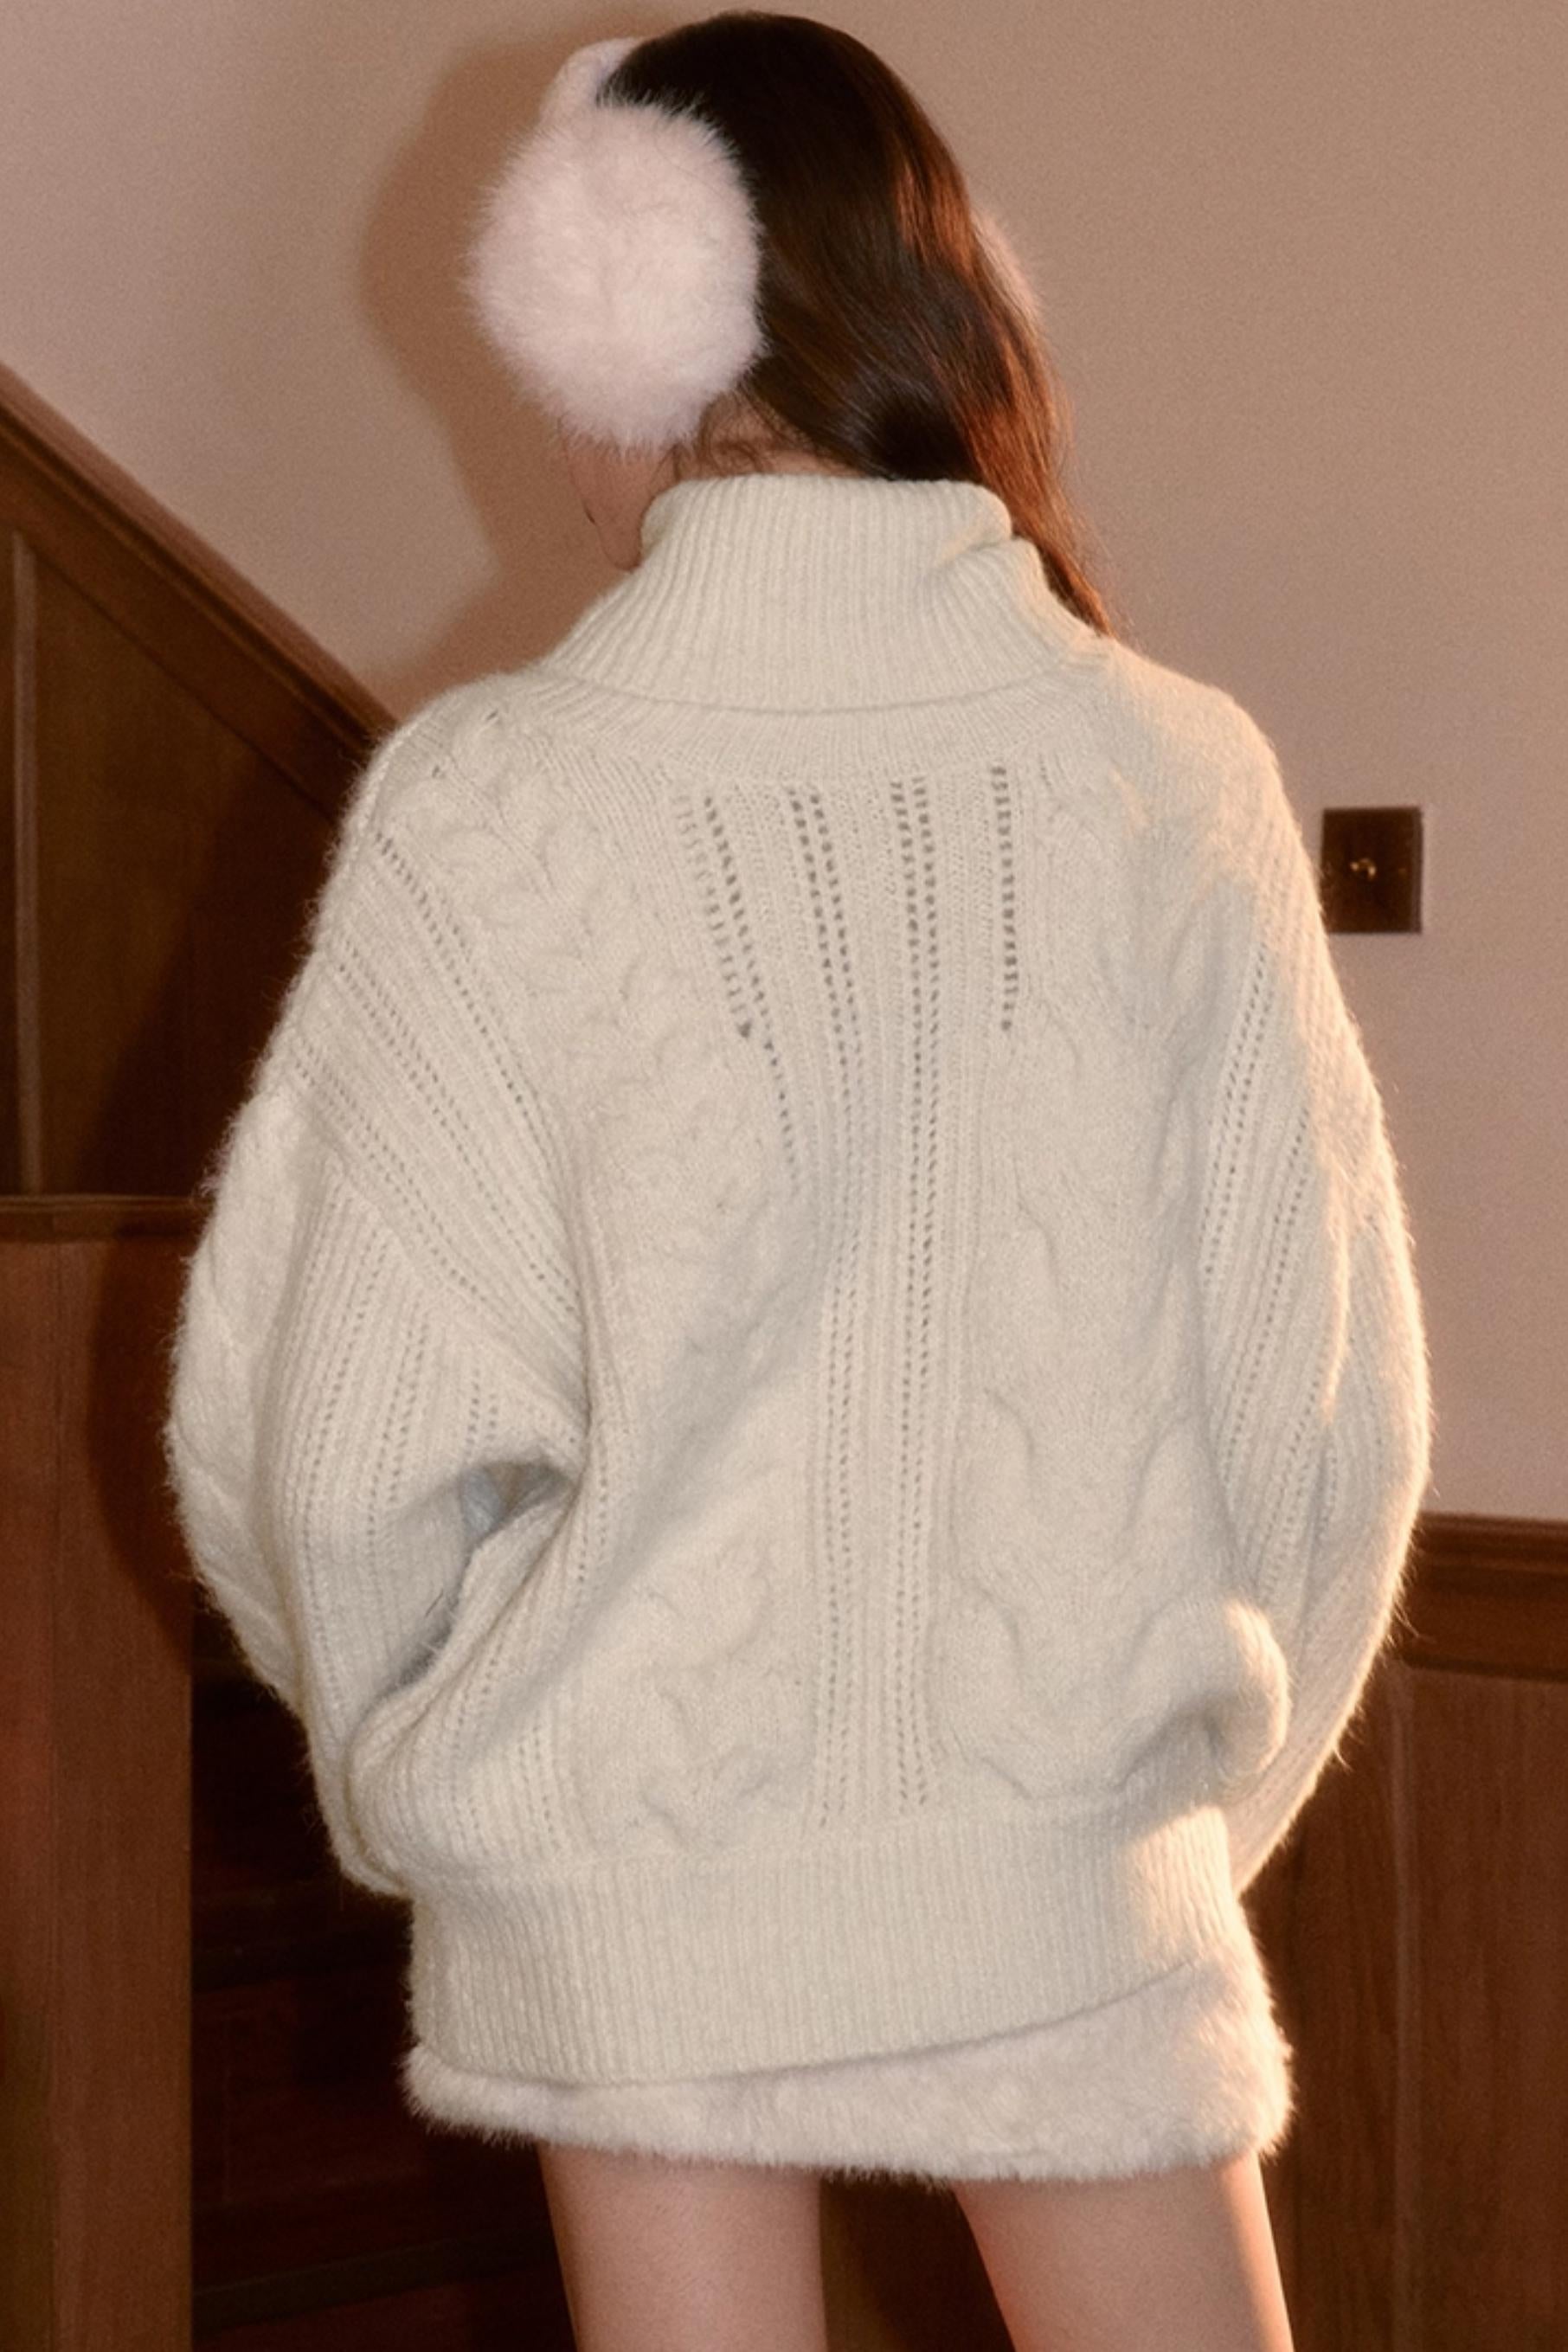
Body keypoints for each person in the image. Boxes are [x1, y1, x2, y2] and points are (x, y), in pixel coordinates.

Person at [161, 15, 1434, 2350]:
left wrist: (435, 1788)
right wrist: (1126, 1826)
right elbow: (1323, 1430)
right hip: (1068, 1874)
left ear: (608, 335)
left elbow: (326, 1455)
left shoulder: (493, 801)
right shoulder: (1173, 775)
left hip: (624, 1887)